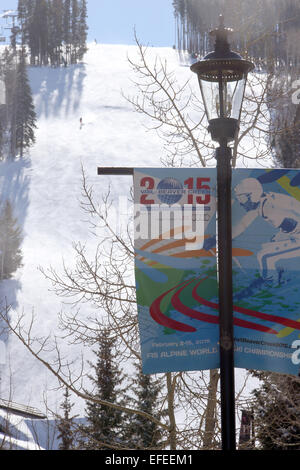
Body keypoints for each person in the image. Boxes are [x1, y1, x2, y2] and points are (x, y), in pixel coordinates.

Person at [233, 177, 300, 283]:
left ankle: (271, 283)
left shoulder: (268, 206)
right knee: (270, 245)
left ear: (253, 195)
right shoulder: (265, 201)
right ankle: (280, 274)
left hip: (297, 236)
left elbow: (293, 210)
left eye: (243, 199)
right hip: (294, 233)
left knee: (264, 256)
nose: (241, 203)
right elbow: (243, 224)